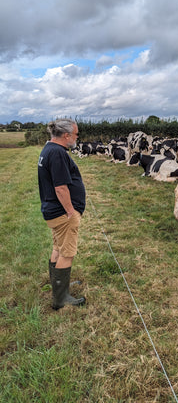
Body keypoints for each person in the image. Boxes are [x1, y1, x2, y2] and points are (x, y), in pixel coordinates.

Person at [38, 118, 86, 310]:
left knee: (58, 248)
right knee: (67, 252)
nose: (76, 138)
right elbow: (60, 188)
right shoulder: (57, 153)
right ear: (66, 135)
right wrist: (71, 212)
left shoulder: (48, 148)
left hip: (52, 210)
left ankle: (60, 286)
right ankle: (61, 298)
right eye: (75, 134)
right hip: (62, 213)